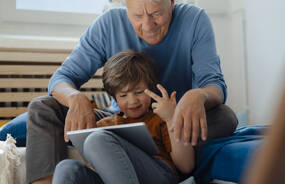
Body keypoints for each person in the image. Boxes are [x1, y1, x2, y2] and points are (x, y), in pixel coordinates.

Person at [26, 0, 238, 184]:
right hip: (123, 120)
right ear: (125, 5)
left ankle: (163, 157)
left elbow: (214, 84)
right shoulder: (108, 24)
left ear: (172, 0)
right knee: (42, 108)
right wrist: (75, 98)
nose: (148, 25)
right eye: (137, 15)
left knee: (224, 117)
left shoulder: (194, 20)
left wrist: (198, 95)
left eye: (156, 13)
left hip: (173, 117)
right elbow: (61, 78)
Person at [52, 50, 194, 184]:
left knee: (97, 139)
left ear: (150, 89)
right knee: (66, 167)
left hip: (159, 175)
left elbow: (186, 166)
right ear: (114, 97)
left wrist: (171, 118)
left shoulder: (160, 119)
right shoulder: (104, 125)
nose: (132, 101)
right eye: (123, 95)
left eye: (139, 92)